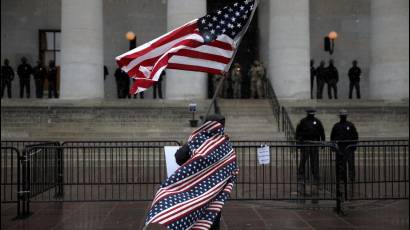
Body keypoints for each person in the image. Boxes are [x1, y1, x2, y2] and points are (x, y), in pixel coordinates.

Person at [145, 114, 236, 230]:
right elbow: (231, 168)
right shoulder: (227, 146)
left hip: (190, 189)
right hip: (214, 192)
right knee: (211, 216)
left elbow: (179, 157)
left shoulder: (198, 139)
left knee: (175, 202)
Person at [295, 109, 325, 193]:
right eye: (310, 113)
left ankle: (316, 179)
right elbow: (298, 133)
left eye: (312, 113)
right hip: (305, 144)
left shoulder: (317, 122)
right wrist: (298, 144)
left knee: (314, 162)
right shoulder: (303, 121)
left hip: (314, 144)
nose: (311, 114)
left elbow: (321, 132)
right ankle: (301, 179)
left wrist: (322, 142)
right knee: (303, 162)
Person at [331, 110, 358, 184]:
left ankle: (351, 177)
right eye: (342, 116)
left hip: (349, 147)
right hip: (340, 147)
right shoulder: (336, 126)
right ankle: (342, 177)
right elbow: (333, 137)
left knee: (350, 163)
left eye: (344, 116)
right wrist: (333, 147)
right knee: (341, 164)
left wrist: (354, 145)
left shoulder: (350, 125)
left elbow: (355, 136)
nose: (343, 117)